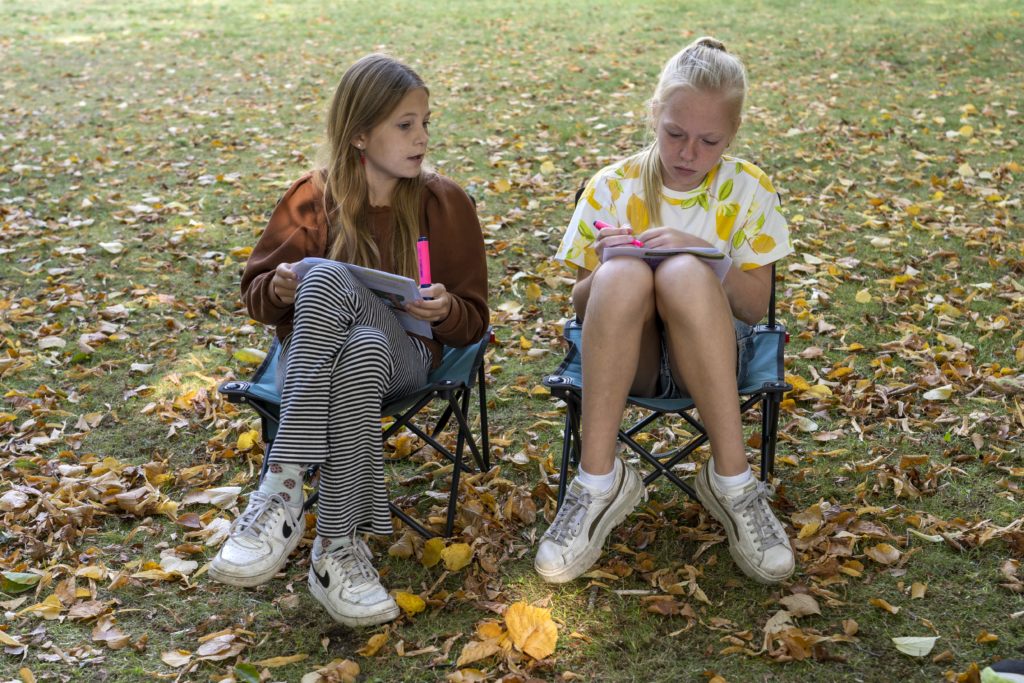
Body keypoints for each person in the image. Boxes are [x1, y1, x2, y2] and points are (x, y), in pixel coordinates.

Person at [210, 54, 489, 627]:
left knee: (331, 278)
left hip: (409, 359)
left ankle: (281, 492)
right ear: (360, 133)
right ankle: (337, 552)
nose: (421, 138)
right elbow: (257, 296)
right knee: (351, 336)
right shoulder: (312, 198)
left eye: (426, 122)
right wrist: (284, 286)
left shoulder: (443, 201)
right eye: (404, 125)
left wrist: (444, 308)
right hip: (338, 361)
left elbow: (474, 319)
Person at [535, 37, 795, 585]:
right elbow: (581, 304)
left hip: (726, 356)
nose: (688, 154)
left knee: (681, 271)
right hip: (631, 358)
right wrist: (608, 264)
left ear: (734, 134)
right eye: (675, 133)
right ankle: (597, 482)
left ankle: (734, 483)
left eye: (709, 141)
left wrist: (707, 257)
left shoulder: (749, 189)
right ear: (654, 114)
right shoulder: (611, 187)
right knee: (627, 272)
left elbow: (754, 306)